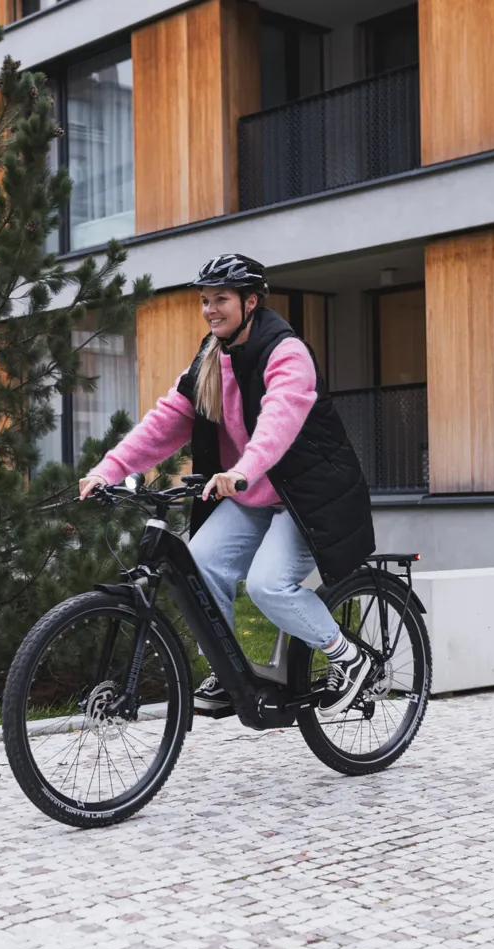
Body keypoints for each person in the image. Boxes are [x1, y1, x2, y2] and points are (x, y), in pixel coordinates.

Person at [79, 254, 378, 717]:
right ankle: (232, 669)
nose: (210, 309)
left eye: (220, 299)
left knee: (268, 585)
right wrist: (109, 470)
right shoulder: (211, 358)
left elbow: (279, 422)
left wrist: (242, 470)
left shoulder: (287, 353)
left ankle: (348, 657)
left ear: (250, 302)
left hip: (308, 497)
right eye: (205, 300)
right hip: (253, 493)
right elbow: (166, 421)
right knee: (198, 568)